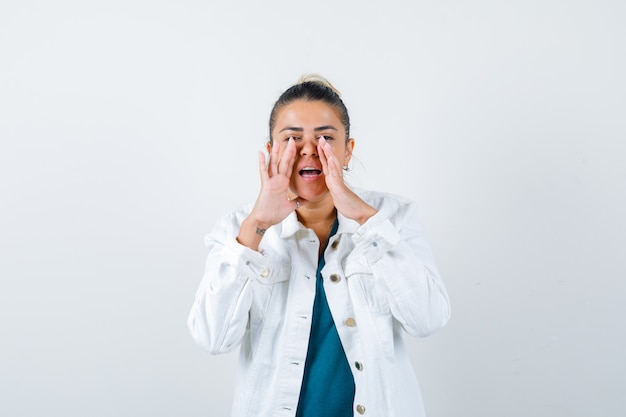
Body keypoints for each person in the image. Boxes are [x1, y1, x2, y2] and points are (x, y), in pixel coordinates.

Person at [188, 75, 450, 417]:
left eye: (325, 137)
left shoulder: (392, 218)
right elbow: (212, 338)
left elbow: (427, 319)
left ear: (347, 151)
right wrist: (256, 226)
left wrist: (365, 219)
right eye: (292, 138)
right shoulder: (237, 230)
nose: (309, 149)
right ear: (271, 152)